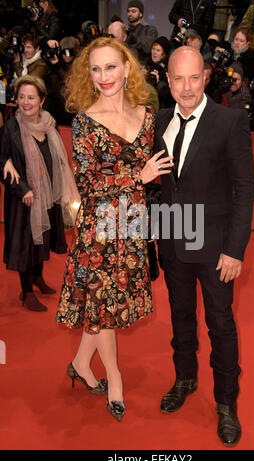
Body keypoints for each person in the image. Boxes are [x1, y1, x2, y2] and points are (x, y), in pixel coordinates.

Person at [55, 37, 173, 421]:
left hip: (133, 223)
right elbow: (88, 183)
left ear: (126, 69)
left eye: (110, 67)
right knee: (104, 305)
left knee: (104, 304)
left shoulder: (146, 114)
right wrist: (137, 176)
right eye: (95, 68)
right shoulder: (84, 122)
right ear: (87, 75)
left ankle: (81, 364)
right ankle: (115, 378)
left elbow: (159, 174)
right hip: (100, 229)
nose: (104, 76)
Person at [154, 46, 254, 446]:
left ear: (207, 76)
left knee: (220, 324)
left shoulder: (230, 120)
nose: (186, 87)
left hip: (215, 248)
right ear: (167, 79)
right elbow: (163, 186)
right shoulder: (160, 119)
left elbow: (245, 190)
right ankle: (184, 379)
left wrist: (234, 249)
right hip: (174, 242)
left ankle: (226, 403)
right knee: (180, 320)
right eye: (178, 78)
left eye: (194, 77)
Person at [0, 75, 80, 312]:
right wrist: (22, 189)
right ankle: (26, 291)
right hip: (23, 199)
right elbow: (1, 161)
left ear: (42, 100)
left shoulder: (49, 124)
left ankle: (37, 277)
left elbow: (56, 159)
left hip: (48, 193)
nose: (25, 102)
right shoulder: (10, 128)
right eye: (22, 97)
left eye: (31, 97)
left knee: (43, 237)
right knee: (26, 242)